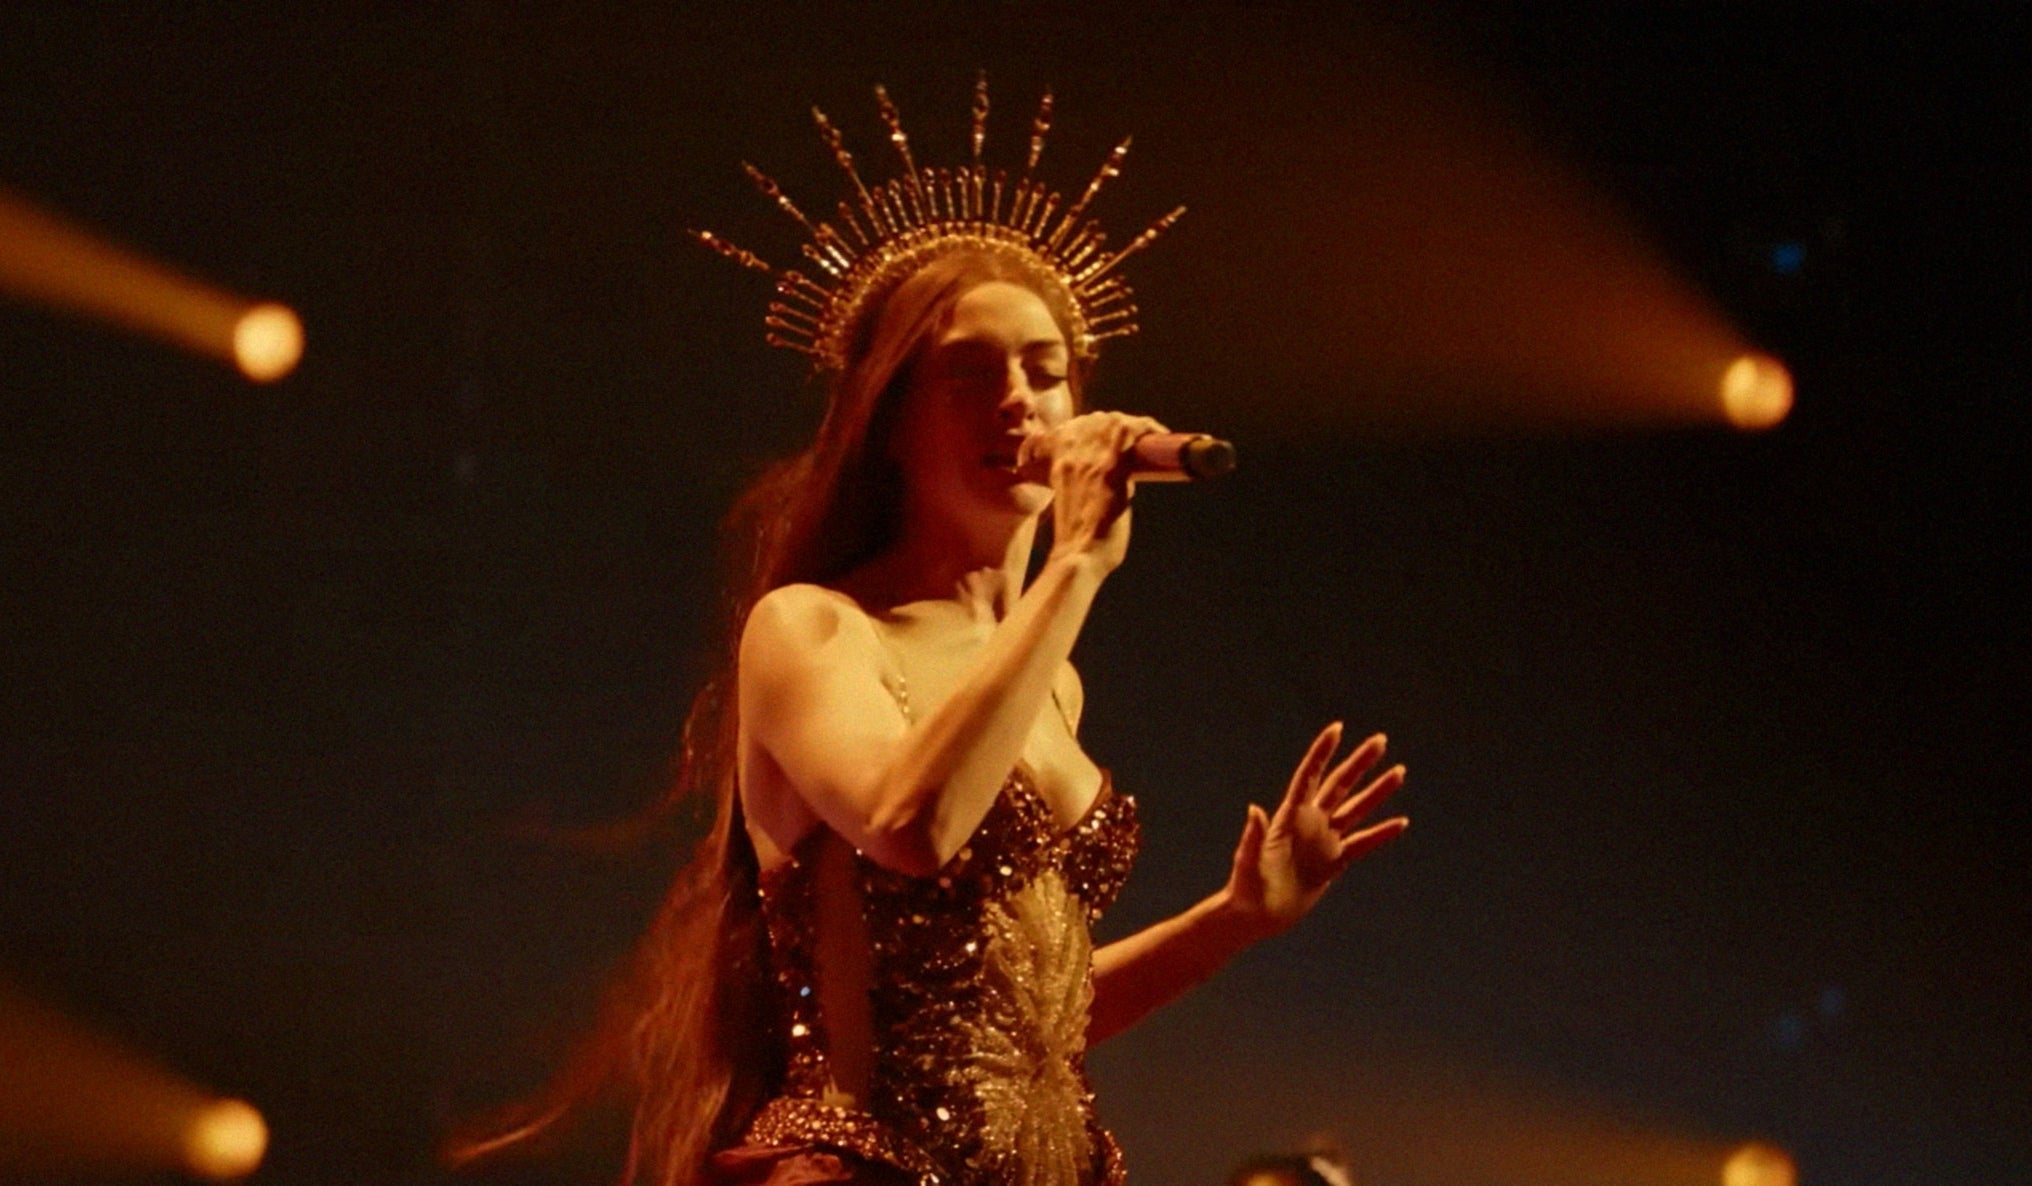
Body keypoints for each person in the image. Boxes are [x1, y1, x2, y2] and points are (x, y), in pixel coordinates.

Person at [452, 85, 1408, 1186]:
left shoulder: (1050, 681)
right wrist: (1078, 565)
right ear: (890, 422)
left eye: (1045, 371)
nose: (1019, 401)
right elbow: (912, 828)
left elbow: (1024, 1038)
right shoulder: (815, 631)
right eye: (970, 372)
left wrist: (1232, 920)